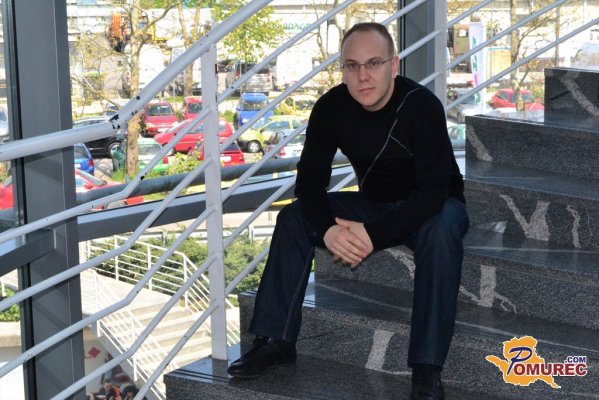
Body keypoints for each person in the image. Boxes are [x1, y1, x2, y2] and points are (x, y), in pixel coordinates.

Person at [227, 22, 468, 400]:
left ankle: (427, 368)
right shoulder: (331, 108)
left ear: (394, 65)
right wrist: (328, 229)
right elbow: (309, 184)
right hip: (373, 204)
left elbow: (432, 193)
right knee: (293, 217)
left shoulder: (422, 106)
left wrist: (373, 236)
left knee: (441, 232)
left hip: (434, 208)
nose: (363, 76)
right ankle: (276, 340)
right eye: (352, 65)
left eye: (373, 63)